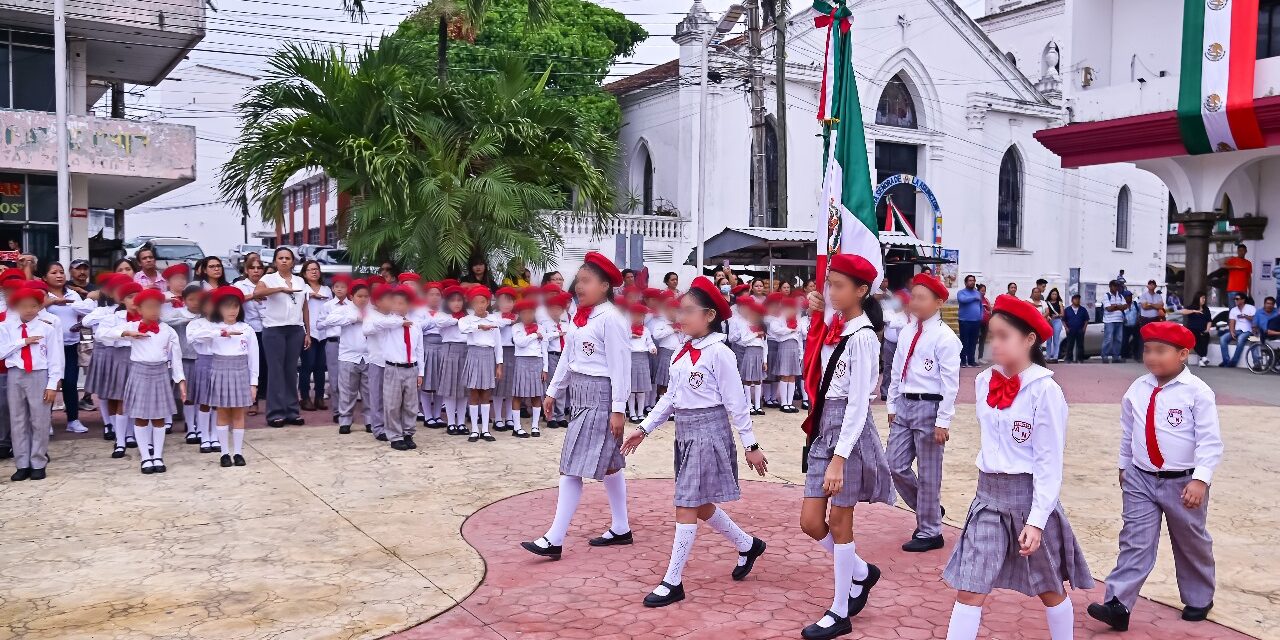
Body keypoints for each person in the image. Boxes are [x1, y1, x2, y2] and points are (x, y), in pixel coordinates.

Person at [941, 294, 1093, 640]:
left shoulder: (1045, 391)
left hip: (1029, 500)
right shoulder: (983, 382)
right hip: (987, 500)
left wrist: (1037, 521)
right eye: (991, 335)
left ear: (1029, 340)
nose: (994, 343)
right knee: (970, 588)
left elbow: (1049, 463)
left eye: (1003, 336)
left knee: (1050, 587)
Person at [620, 276, 769, 608]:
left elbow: (736, 402)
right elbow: (670, 399)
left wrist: (751, 444)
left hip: (708, 433)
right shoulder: (680, 353)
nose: (680, 317)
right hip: (684, 433)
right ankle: (748, 545)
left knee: (685, 504)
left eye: (688, 311)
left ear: (710, 315)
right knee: (699, 504)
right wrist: (642, 429)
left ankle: (672, 581)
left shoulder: (719, 353)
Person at [1085, 321, 1222, 632]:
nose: (1152, 357)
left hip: (1184, 482)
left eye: (1161, 351)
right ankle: (1117, 605)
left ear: (1183, 354)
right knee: (1135, 541)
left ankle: (1199, 597)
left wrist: (1200, 479)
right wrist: (1124, 465)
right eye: (1148, 350)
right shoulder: (1138, 388)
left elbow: (1210, 441)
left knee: (1191, 541)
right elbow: (1128, 432)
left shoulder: (1198, 392)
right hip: (1140, 478)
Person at [798, 254, 893, 640]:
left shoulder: (864, 337)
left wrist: (839, 458)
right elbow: (816, 359)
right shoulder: (839, 327)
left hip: (847, 435)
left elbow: (858, 403)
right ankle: (861, 572)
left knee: (839, 522)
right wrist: (816, 314)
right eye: (830, 284)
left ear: (862, 290)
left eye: (839, 286)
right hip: (826, 427)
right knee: (810, 522)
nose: (831, 292)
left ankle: (839, 610)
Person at [522, 252, 633, 560]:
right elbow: (570, 358)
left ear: (605, 286)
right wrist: (553, 392)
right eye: (578, 280)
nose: (579, 286)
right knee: (610, 465)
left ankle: (554, 538)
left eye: (587, 281)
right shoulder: (580, 315)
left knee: (570, 467)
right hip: (580, 394)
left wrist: (618, 409)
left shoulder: (611, 319)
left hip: (599, 396)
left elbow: (621, 367)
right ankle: (622, 527)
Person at [886, 273, 960, 554]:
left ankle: (931, 531)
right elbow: (896, 371)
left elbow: (950, 384)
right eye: (912, 296)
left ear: (939, 302)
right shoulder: (907, 331)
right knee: (894, 464)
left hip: (930, 407)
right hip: (905, 404)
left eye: (921, 297)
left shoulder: (945, 338)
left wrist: (944, 420)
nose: (914, 302)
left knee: (929, 473)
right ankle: (928, 508)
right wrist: (892, 404)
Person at [104, 289, 186, 475]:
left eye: (157, 306)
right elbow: (103, 334)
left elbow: (176, 357)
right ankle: (145, 457)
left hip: (160, 373)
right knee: (140, 416)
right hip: (139, 372)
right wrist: (126, 333)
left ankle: (157, 455)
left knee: (159, 417)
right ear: (139, 309)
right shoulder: (132, 326)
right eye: (149, 307)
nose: (154, 310)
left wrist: (180, 380)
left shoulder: (167, 330)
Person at [191, 287, 259, 468]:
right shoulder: (213, 328)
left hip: (240, 371)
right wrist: (221, 333)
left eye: (235, 306)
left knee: (238, 413)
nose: (232, 310)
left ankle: (238, 452)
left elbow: (254, 357)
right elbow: (194, 338)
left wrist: (254, 383)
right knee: (222, 412)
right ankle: (224, 453)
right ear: (219, 309)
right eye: (227, 306)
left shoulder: (246, 328)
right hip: (219, 369)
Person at [2, 287, 63, 481]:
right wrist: (23, 342)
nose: (29, 309)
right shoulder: (6, 327)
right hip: (15, 374)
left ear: (40, 306)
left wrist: (52, 384)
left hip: (39, 375)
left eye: (33, 305)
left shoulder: (47, 328)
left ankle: (38, 462)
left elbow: (55, 358)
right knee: (18, 420)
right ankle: (22, 464)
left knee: (39, 420)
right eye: (24, 306)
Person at [366, 286, 424, 450]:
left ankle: (408, 433)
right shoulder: (386, 323)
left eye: (403, 303)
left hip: (411, 368)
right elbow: (370, 327)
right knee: (392, 405)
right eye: (396, 303)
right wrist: (398, 322)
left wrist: (421, 372)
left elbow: (420, 350)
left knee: (411, 405)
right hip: (393, 368)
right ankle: (395, 436)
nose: (399, 307)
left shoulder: (416, 325)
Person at [256, 247, 308, 428]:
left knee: (291, 371)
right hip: (274, 330)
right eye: (281, 258)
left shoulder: (300, 280)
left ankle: (292, 411)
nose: (284, 261)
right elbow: (257, 293)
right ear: (275, 261)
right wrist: (279, 289)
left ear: (293, 262)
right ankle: (275, 413)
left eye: (288, 258)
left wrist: (307, 331)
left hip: (295, 329)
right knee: (276, 371)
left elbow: (304, 307)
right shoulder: (268, 279)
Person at [318, 279, 371, 435]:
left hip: (368, 356)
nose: (363, 299)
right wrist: (353, 319)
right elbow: (328, 321)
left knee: (368, 391)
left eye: (366, 296)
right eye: (360, 296)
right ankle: (345, 420)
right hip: (348, 356)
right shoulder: (345, 309)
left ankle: (369, 420)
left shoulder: (373, 310)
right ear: (352, 296)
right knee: (347, 390)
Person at [42, 262, 86, 433]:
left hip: (70, 346)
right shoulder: (41, 294)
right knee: (49, 383)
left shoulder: (74, 294)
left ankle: (73, 420)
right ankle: (46, 421)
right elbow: (33, 310)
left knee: (70, 382)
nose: (59, 275)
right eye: (54, 272)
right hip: (47, 348)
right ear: (45, 277)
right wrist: (52, 302)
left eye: (61, 272)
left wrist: (81, 323)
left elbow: (86, 313)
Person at [459, 287, 502, 443]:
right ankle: (474, 430)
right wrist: (479, 326)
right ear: (472, 304)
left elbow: (498, 345)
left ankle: (485, 429)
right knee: (474, 392)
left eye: (483, 302)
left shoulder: (493, 321)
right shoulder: (467, 320)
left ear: (488, 302)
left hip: (488, 356)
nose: (480, 306)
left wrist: (499, 364)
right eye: (476, 302)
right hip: (474, 354)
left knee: (486, 393)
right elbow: (462, 328)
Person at [163, 285, 204, 444]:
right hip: (183, 358)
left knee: (200, 395)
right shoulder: (178, 313)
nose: (195, 302)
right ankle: (189, 427)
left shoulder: (204, 315)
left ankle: (199, 426)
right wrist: (187, 319)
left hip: (201, 358)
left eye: (198, 299)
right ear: (184, 300)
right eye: (191, 299)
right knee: (186, 395)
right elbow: (165, 320)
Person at [233, 253, 268, 415]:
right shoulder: (240, 285)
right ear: (246, 270)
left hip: (267, 328)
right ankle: (252, 401)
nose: (256, 271)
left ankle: (265, 398)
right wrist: (253, 295)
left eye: (259, 268)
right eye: (252, 268)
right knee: (251, 365)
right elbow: (234, 300)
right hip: (248, 330)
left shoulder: (268, 283)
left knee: (266, 366)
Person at [296, 260, 331, 412]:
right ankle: (304, 398)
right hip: (308, 333)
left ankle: (319, 397)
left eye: (316, 269)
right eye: (310, 270)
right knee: (307, 366)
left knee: (320, 367)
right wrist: (309, 295)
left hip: (324, 333)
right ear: (304, 273)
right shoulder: (301, 288)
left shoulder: (327, 289)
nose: (314, 272)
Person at [510, 298, 546, 437]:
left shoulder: (541, 327)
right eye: (524, 313)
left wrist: (545, 368)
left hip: (537, 361)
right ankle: (517, 427)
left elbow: (544, 348)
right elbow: (520, 343)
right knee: (518, 394)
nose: (527, 316)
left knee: (536, 394)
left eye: (530, 312)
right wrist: (534, 335)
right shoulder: (516, 327)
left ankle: (535, 426)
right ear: (519, 314)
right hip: (521, 361)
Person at [766, 295, 805, 413]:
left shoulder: (797, 318)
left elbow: (799, 336)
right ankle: (783, 403)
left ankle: (789, 402)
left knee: (792, 375)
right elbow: (774, 329)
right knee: (784, 374)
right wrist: (789, 330)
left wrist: (800, 353)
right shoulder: (779, 317)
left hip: (794, 346)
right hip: (784, 345)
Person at [733, 296, 768, 415]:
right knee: (747, 379)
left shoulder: (762, 326)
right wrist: (755, 334)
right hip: (749, 352)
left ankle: (758, 406)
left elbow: (765, 344)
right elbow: (744, 339)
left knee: (758, 380)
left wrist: (765, 360)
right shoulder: (745, 324)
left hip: (759, 353)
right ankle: (749, 404)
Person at [490, 287, 519, 432]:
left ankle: (509, 417)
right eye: (503, 301)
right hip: (499, 352)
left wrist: (514, 320)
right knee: (499, 386)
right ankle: (497, 418)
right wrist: (508, 321)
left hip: (514, 352)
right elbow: (496, 326)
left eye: (510, 301)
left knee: (510, 387)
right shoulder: (495, 317)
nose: (507, 304)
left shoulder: (517, 317)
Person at [540, 293, 570, 429]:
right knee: (550, 387)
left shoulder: (566, 324)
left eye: (559, 308)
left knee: (562, 387)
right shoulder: (545, 324)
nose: (556, 311)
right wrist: (557, 334)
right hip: (551, 355)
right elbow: (544, 339)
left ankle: (560, 415)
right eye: (553, 308)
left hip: (563, 356)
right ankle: (549, 416)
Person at [1217, 294, 1255, 367]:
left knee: (1241, 338)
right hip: (1237, 330)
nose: (1235, 300)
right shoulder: (1234, 310)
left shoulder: (1250, 308)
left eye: (1237, 299)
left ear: (1243, 300)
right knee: (1223, 338)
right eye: (1235, 299)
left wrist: (1245, 316)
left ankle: (1233, 362)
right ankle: (1226, 360)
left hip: (1248, 331)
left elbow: (1255, 320)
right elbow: (1231, 322)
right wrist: (1231, 331)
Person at [1178, 293, 1213, 367]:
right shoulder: (1192, 307)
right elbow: (1182, 311)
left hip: (1202, 329)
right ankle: (1203, 358)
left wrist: (1207, 329)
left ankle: (1202, 359)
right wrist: (1194, 311)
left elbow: (1209, 321)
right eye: (1202, 298)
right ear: (1198, 299)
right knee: (1195, 340)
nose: (1204, 300)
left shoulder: (1206, 309)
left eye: (1204, 298)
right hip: (1192, 329)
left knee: (1205, 339)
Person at [956, 275, 982, 367]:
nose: (972, 282)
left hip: (976, 321)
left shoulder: (977, 293)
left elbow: (980, 306)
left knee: (973, 342)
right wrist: (974, 298)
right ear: (966, 282)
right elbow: (962, 300)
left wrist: (980, 316)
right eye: (970, 280)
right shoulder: (961, 292)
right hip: (964, 320)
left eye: (973, 280)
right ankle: (963, 361)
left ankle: (971, 360)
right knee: (964, 341)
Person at [1101, 280, 1128, 364]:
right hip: (1109, 321)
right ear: (1110, 286)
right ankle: (1104, 356)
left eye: (1117, 286)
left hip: (1119, 320)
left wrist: (1115, 306)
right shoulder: (1106, 296)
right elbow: (1108, 308)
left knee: (1118, 339)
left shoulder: (1120, 296)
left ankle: (1116, 356)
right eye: (1115, 286)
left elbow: (1125, 306)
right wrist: (1118, 306)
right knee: (1108, 339)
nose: (1116, 288)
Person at [1062, 294, 1089, 363]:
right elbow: (1063, 320)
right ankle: (1069, 359)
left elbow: (1086, 319)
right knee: (1070, 345)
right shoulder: (1067, 310)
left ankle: (1080, 359)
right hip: (1070, 329)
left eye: (1078, 299)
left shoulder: (1083, 310)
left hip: (1080, 329)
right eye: (1076, 299)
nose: (1077, 301)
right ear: (1072, 300)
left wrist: (1084, 328)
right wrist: (1066, 328)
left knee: (1080, 345)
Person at [1044, 288, 1065, 364]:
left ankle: (1055, 357)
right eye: (1053, 294)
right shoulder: (1046, 302)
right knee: (1048, 340)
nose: (1054, 295)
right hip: (1048, 321)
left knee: (1056, 340)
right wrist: (1048, 317)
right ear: (1050, 294)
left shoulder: (1060, 303)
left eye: (1055, 294)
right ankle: (1048, 357)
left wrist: (1057, 315)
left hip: (1057, 321)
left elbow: (1062, 314)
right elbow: (1045, 311)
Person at [977, 284, 992, 362]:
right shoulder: (976, 299)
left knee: (982, 340)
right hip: (977, 323)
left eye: (984, 291)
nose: (983, 292)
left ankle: (980, 357)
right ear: (978, 291)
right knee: (975, 340)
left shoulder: (986, 300)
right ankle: (970, 358)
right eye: (982, 290)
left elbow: (990, 309)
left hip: (985, 322)